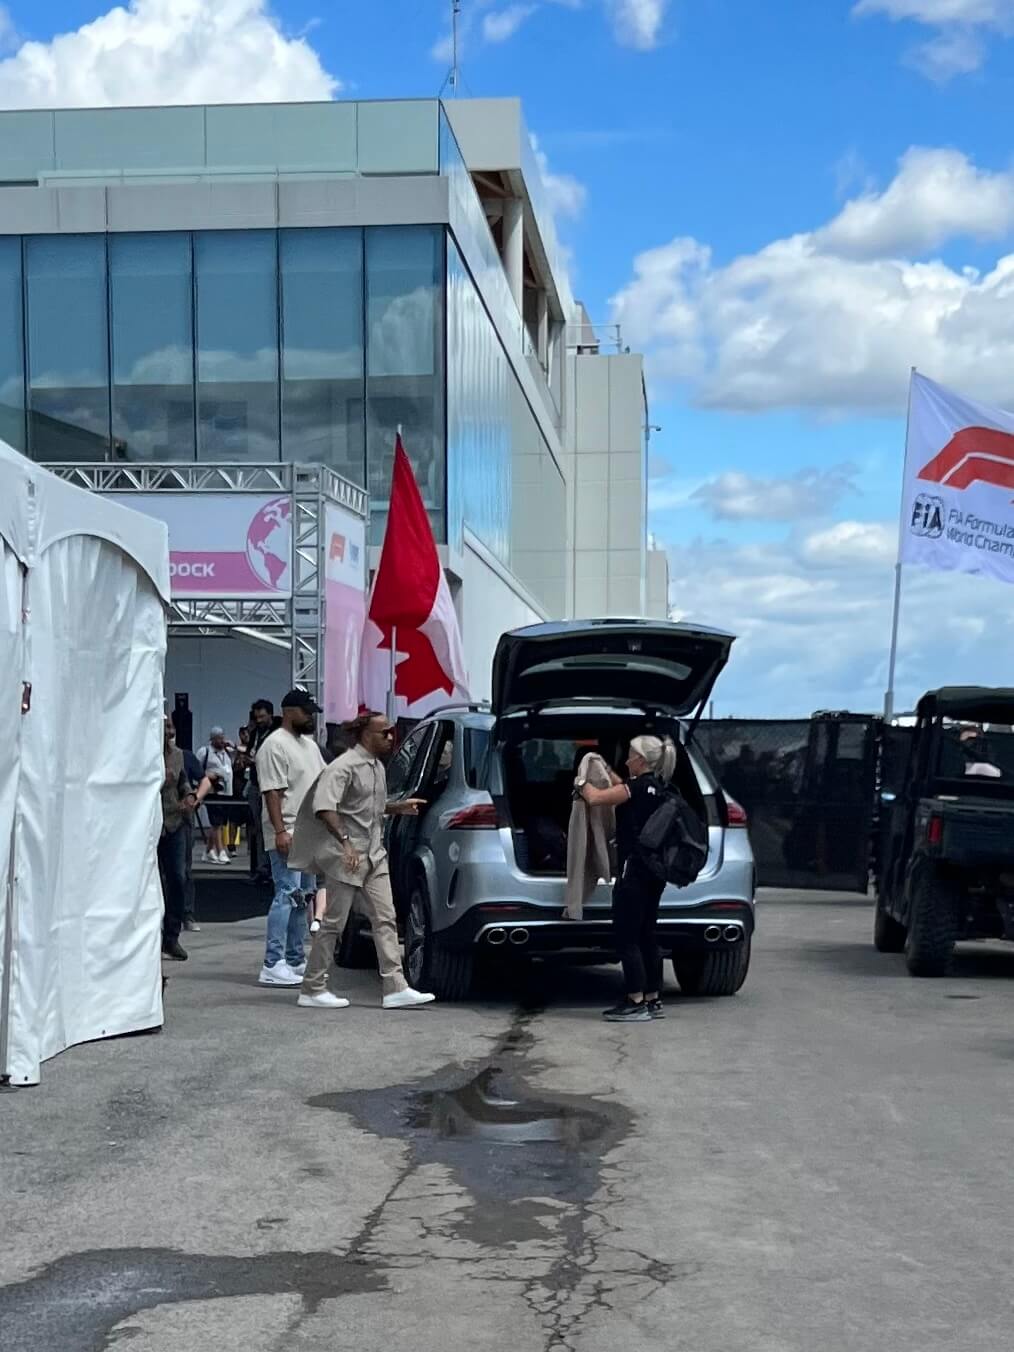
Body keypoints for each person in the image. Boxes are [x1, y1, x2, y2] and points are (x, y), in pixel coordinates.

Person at [289, 711, 436, 1010]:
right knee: (334, 923)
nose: (391, 738)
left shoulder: (377, 766)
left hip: (374, 855)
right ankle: (312, 987)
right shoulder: (343, 767)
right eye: (385, 733)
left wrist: (397, 807)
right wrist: (345, 843)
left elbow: (368, 808)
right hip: (348, 857)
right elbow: (324, 808)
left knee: (385, 919)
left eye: (392, 732)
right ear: (367, 735)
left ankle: (395, 987)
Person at [579, 735, 679, 1023]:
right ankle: (653, 998)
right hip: (654, 872)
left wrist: (580, 781)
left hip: (633, 871)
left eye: (630, 755)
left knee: (626, 936)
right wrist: (606, 769)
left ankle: (634, 1000)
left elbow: (595, 798)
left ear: (641, 760)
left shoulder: (634, 789)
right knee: (647, 933)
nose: (626, 760)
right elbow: (622, 786)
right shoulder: (661, 788)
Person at [255, 690, 327, 987]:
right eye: (306, 711)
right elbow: (272, 792)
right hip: (287, 831)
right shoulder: (274, 746)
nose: (311, 717)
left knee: (303, 898)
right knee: (287, 893)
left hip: (308, 833)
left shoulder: (309, 746)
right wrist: (280, 831)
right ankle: (272, 963)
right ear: (288, 712)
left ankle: (295, 959)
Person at [159, 714, 199, 962]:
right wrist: (158, 778)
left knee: (178, 877)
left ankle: (172, 936)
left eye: (170, 726)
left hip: (175, 822)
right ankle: (152, 935)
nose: (169, 731)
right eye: (164, 727)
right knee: (154, 881)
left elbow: (184, 782)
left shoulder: (178, 755)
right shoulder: (143, 753)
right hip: (151, 823)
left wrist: (190, 796)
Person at [176, 725, 216, 933]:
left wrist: (196, 799)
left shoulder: (184, 756)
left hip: (181, 819)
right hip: (160, 817)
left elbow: (205, 781)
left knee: (183, 870)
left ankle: (186, 914)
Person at [241, 700, 277, 882]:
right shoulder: (256, 733)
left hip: (269, 784)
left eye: (262, 716)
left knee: (270, 826)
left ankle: (269, 867)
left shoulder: (276, 734)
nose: (259, 720)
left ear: (270, 714)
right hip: (256, 783)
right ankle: (262, 867)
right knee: (258, 828)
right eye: (257, 717)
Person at [195, 727, 235, 864]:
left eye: (222, 737)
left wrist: (232, 747)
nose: (221, 740)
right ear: (212, 739)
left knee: (220, 822)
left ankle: (208, 851)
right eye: (218, 738)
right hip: (213, 790)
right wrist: (208, 775)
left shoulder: (227, 752)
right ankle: (220, 850)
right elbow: (197, 769)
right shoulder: (205, 752)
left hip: (227, 791)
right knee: (216, 822)